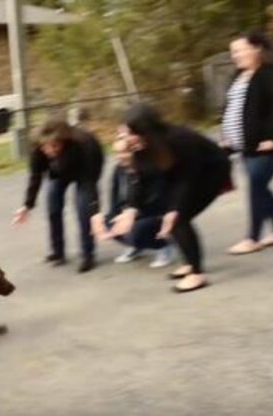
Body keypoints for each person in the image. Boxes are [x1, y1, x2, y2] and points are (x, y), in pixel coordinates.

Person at [96, 103, 230, 293]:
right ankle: (191, 263)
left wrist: (175, 209)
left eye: (130, 132)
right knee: (175, 217)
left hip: (210, 172)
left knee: (178, 218)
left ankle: (197, 274)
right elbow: (139, 178)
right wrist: (131, 210)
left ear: (146, 131)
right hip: (180, 176)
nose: (126, 137)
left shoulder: (181, 139)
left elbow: (187, 179)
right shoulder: (140, 144)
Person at [222, 32, 273, 255]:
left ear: (256, 49)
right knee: (261, 185)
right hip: (245, 144)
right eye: (233, 52)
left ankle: (252, 237)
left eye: (238, 50)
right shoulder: (238, 75)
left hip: (268, 144)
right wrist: (226, 135)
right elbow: (232, 108)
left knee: (256, 184)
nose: (234, 55)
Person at [13, 118, 104, 273]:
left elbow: (90, 184)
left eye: (55, 145)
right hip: (59, 172)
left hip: (84, 171)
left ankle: (88, 254)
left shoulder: (84, 144)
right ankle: (58, 252)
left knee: (83, 209)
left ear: (64, 141)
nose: (50, 150)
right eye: (46, 146)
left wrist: (94, 210)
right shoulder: (38, 148)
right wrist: (26, 205)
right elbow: (35, 176)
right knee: (53, 204)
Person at [105, 139, 174, 268]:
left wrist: (133, 214)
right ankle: (136, 246)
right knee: (106, 222)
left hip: (152, 213)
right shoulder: (118, 169)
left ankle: (163, 245)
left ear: (134, 152)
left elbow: (156, 200)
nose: (120, 156)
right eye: (117, 153)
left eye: (124, 152)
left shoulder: (148, 169)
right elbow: (114, 192)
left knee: (136, 230)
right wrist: (113, 215)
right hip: (130, 212)